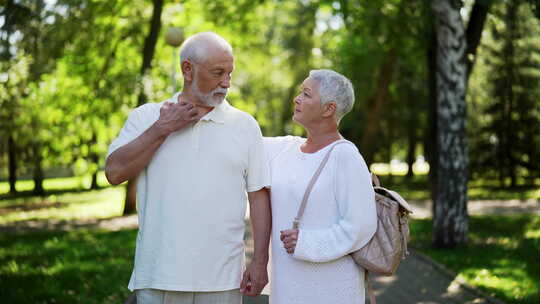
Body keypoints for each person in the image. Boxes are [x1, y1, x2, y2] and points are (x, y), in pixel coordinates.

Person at [105, 32, 271, 304]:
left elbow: (258, 195)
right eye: (218, 73)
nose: (226, 83)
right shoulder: (147, 116)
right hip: (158, 276)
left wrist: (260, 261)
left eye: (230, 73)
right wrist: (162, 128)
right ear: (187, 69)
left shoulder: (245, 126)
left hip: (223, 279)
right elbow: (114, 173)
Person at [264, 69, 377, 304]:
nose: (297, 99)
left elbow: (361, 226)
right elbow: (241, 138)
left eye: (306, 94)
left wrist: (307, 243)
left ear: (328, 109)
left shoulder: (345, 156)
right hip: (287, 285)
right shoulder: (284, 149)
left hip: (330, 288)